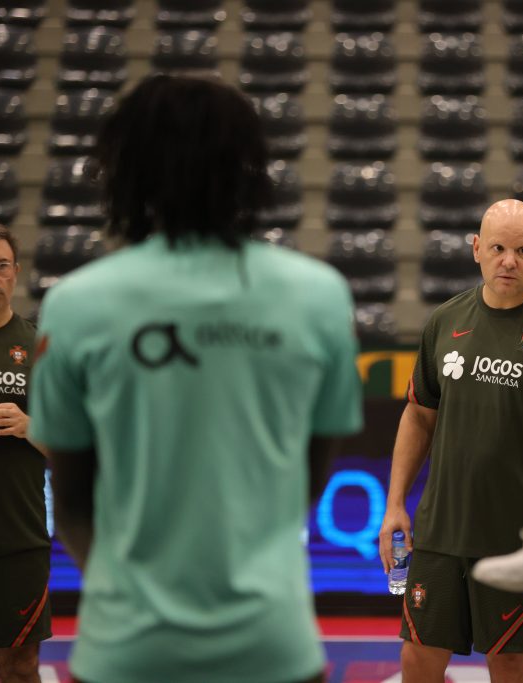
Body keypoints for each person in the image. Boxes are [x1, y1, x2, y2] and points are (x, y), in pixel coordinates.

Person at [27, 75, 363, 683]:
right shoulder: (319, 297)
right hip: (274, 646)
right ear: (250, 168)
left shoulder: (76, 304)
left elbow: (72, 497)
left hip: (124, 651)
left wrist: (132, 592)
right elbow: (307, 480)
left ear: (126, 168)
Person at [378, 198, 523, 683]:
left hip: (515, 536)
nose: (510, 260)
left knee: (507, 665)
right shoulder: (444, 320)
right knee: (416, 660)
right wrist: (394, 502)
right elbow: (419, 415)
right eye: (499, 248)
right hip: (440, 530)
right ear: (476, 249)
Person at [0, 226, 50, 683]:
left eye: (1, 266)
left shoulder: (39, 346)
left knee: (20, 667)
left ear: (16, 273)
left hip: (19, 541)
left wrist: (33, 427)